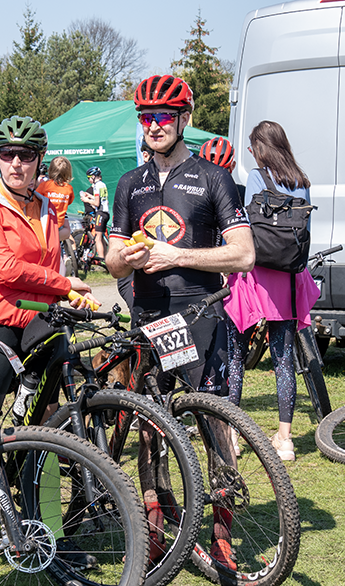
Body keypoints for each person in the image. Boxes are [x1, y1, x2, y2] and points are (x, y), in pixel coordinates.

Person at [106, 74, 254, 571]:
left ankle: (221, 533)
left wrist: (177, 254)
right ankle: (154, 528)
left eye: (162, 117)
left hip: (201, 315)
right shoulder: (130, 183)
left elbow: (244, 254)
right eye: (145, 117)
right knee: (149, 425)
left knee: (214, 425)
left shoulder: (214, 179)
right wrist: (124, 258)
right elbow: (110, 260)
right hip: (148, 317)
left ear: (184, 120)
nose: (153, 125)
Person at [0, 115, 98, 439]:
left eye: (26, 155)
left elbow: (49, 268)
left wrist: (69, 295)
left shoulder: (45, 206)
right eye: (7, 154)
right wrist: (65, 285)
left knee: (49, 420)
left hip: (37, 321)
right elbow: (5, 267)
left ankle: (34, 486)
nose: (16, 163)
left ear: (40, 159)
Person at [223, 120, 320, 462]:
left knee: (235, 355)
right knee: (283, 360)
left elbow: (246, 227)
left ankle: (232, 436)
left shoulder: (255, 178)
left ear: (260, 148)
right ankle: (286, 439)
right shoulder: (302, 181)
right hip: (290, 279)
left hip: (256, 276)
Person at [35, 156, 74, 241]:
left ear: (51, 170)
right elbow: (70, 201)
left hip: (45, 222)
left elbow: (35, 198)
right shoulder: (69, 188)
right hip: (60, 224)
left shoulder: (45, 185)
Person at [79, 166, 109, 259]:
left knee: (98, 238)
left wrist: (86, 200)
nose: (88, 180)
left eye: (89, 178)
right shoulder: (102, 184)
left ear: (93, 176)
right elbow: (100, 199)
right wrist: (90, 196)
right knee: (102, 238)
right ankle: (105, 259)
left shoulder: (96, 186)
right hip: (105, 212)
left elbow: (96, 203)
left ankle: (101, 259)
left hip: (100, 213)